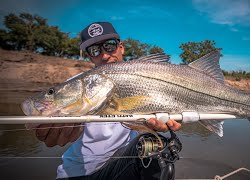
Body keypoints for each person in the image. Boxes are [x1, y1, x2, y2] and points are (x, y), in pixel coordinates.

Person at [34, 22, 181, 179]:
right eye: (94, 50)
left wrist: (160, 123)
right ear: (89, 56)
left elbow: (153, 123)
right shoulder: (77, 84)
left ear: (121, 47)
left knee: (153, 145)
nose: (104, 55)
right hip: (76, 174)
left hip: (121, 166)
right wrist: (52, 132)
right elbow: (50, 134)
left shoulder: (150, 78)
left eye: (109, 46)